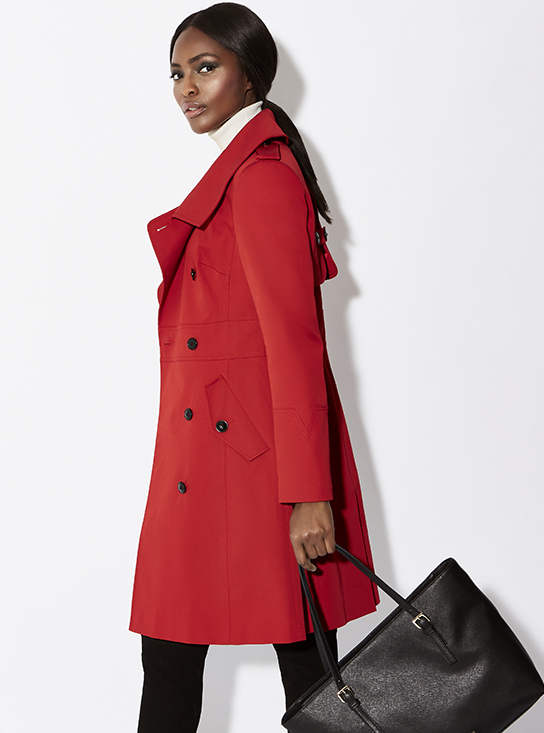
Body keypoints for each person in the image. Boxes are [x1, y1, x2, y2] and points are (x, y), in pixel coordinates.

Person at [130, 4, 379, 730]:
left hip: (259, 472)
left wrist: (309, 495)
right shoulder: (237, 173)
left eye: (205, 68)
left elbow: (295, 344)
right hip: (206, 459)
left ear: (250, 76)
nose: (186, 88)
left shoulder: (264, 176)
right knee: (175, 658)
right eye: (177, 73)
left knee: (307, 670)